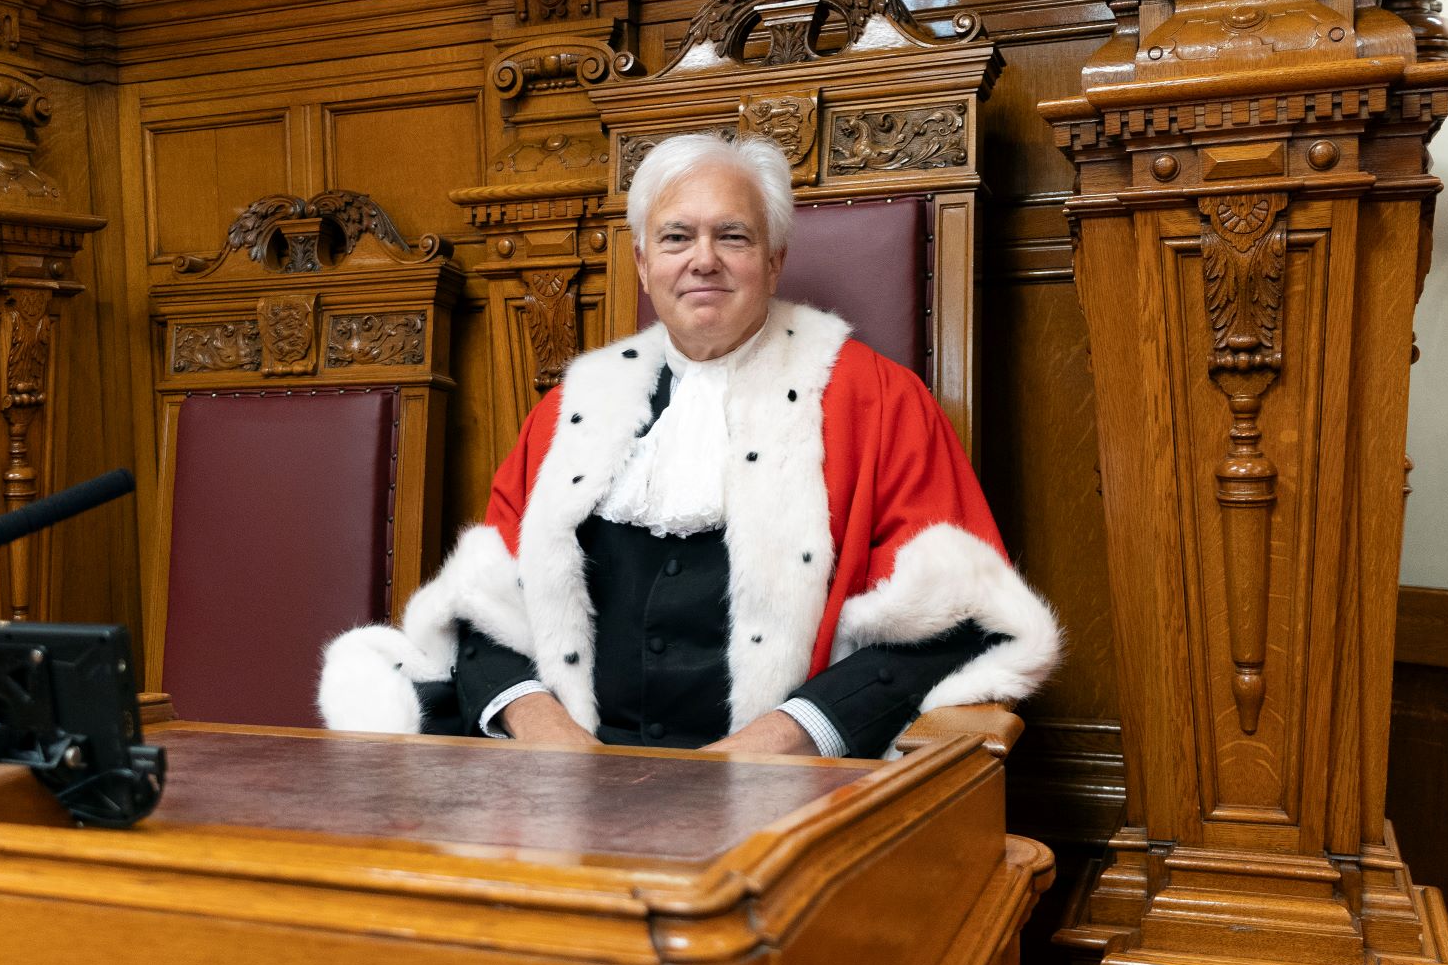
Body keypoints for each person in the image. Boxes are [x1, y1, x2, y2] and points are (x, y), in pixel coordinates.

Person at [318, 131, 1061, 759]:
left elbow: (953, 621)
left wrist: (771, 746)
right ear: (644, 264)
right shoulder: (570, 410)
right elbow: (486, 608)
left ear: (772, 261)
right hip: (564, 780)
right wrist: (550, 737)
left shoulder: (878, 401)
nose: (701, 259)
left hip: (781, 790)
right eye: (676, 237)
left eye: (731, 236)